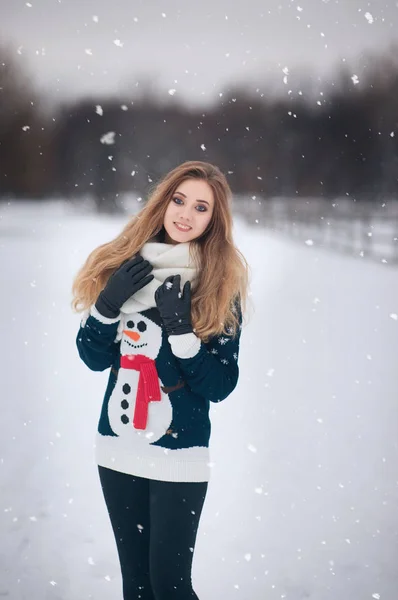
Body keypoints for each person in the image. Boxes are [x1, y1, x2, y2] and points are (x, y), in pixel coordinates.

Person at [71, 161, 249, 599]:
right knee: (136, 585)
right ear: (163, 202)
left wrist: (182, 331)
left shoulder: (219, 286)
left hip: (180, 451)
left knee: (170, 586)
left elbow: (220, 385)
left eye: (201, 207)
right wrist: (108, 303)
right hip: (118, 445)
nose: (186, 214)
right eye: (179, 199)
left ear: (214, 220)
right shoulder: (126, 267)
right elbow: (93, 357)